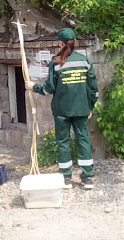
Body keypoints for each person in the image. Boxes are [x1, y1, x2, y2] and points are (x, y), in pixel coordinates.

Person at [25, 27, 98, 189]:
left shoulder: (56, 62)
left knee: (63, 142)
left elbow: (48, 88)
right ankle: (87, 178)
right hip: (81, 109)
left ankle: (66, 178)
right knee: (83, 140)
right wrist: (90, 106)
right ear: (74, 42)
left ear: (60, 43)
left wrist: (33, 86)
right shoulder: (85, 61)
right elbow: (93, 88)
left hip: (61, 111)